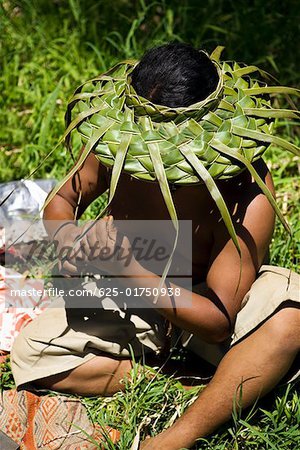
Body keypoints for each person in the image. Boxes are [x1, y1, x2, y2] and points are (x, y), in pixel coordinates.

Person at [11, 43, 299, 450]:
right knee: (33, 354)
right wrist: (73, 242)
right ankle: (194, 384)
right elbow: (62, 201)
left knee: (290, 318)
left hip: (211, 313)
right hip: (133, 297)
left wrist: (130, 270)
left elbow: (218, 318)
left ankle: (176, 437)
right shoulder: (119, 141)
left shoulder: (244, 183)